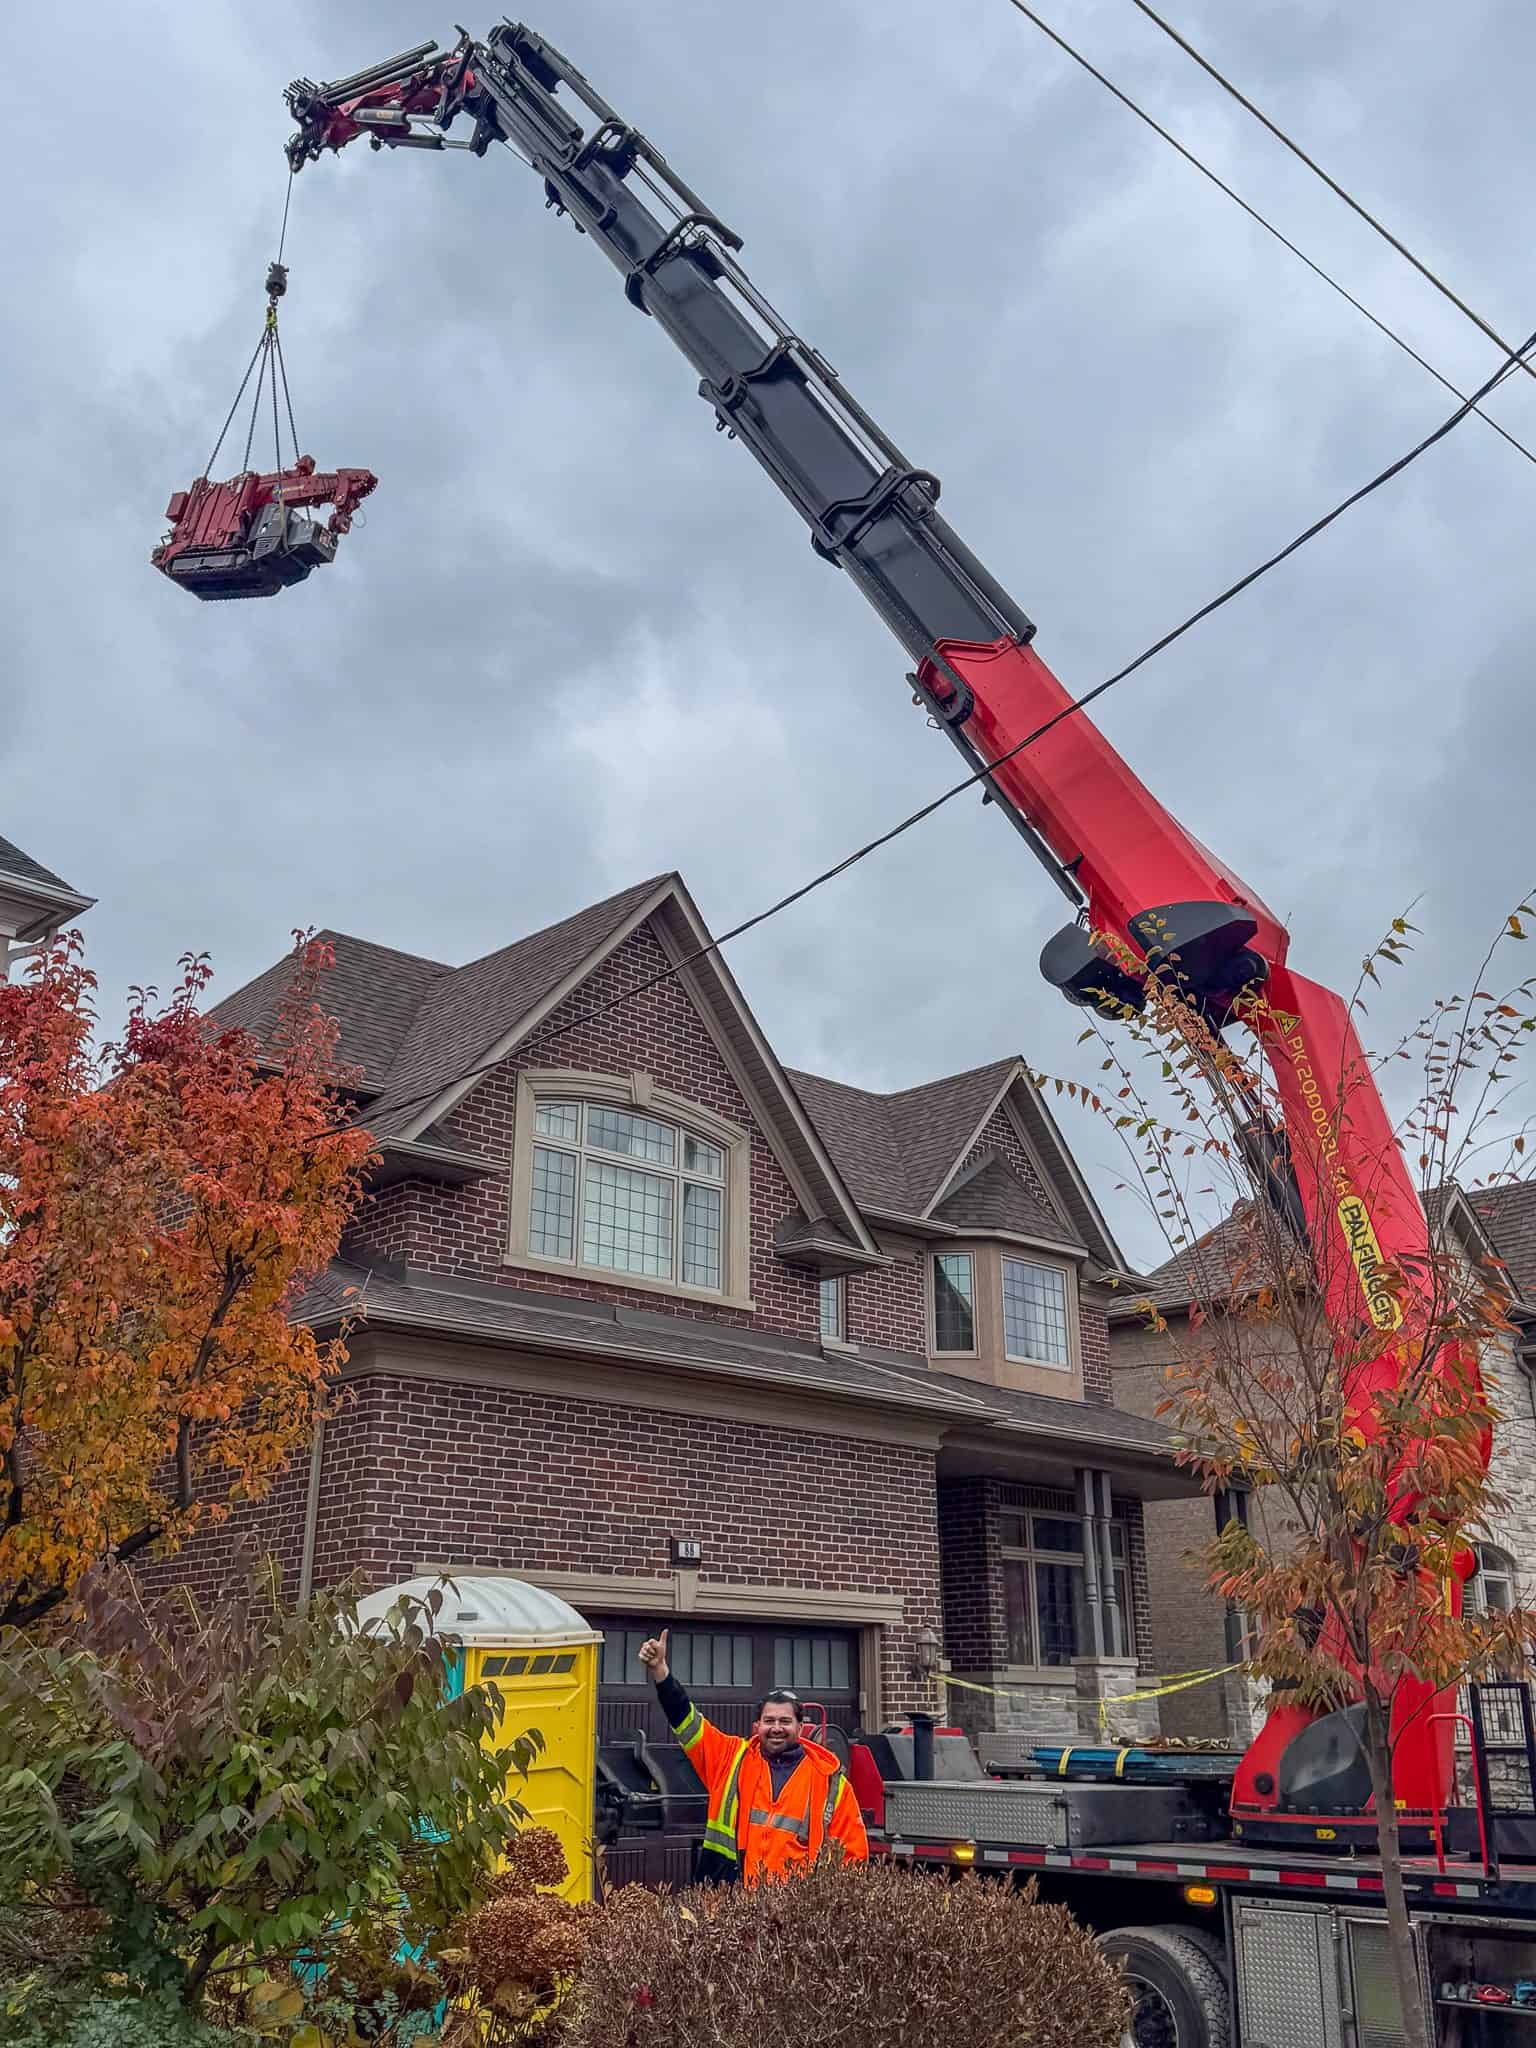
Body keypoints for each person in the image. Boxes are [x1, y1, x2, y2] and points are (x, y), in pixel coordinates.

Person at [638, 1627, 868, 1885]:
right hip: (729, 1906)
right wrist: (660, 1672)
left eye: (785, 1721)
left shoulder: (831, 1783)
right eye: (769, 1720)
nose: (777, 1728)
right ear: (757, 1726)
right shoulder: (729, 1758)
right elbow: (687, 1722)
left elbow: (853, 1856)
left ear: (801, 1728)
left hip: (795, 1916)